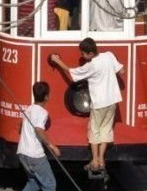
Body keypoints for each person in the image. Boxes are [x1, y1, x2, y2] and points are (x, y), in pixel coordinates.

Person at [48, 38, 124, 172]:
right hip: (113, 100)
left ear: (90, 53)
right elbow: (121, 71)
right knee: (106, 129)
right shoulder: (109, 55)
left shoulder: (92, 65)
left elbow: (72, 73)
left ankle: (94, 160)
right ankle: (101, 159)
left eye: (83, 54)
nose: (82, 56)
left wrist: (58, 61)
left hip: (99, 102)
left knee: (94, 131)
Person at [9, 81, 59, 191]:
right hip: (35, 154)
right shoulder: (42, 112)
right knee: (49, 184)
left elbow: (20, 127)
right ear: (47, 97)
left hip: (22, 152)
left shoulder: (28, 109)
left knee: (35, 181)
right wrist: (52, 146)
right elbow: (39, 129)